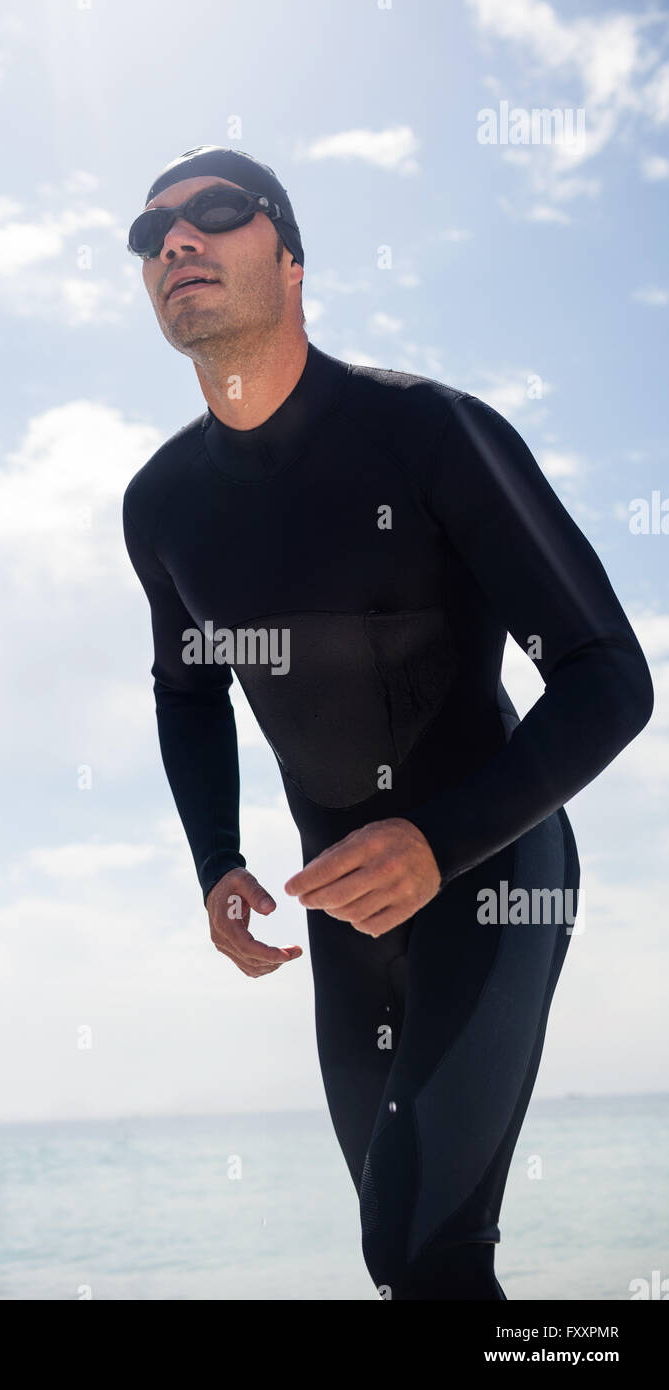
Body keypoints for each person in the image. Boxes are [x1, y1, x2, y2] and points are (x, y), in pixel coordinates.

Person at [120, 145, 653, 1299]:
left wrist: (436, 842)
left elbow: (608, 676)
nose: (174, 241)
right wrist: (216, 859)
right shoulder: (161, 505)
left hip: (494, 867)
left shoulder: (425, 434)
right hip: (344, 913)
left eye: (214, 211)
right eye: (149, 232)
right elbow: (185, 688)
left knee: (416, 1245)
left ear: (293, 257)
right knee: (415, 1265)